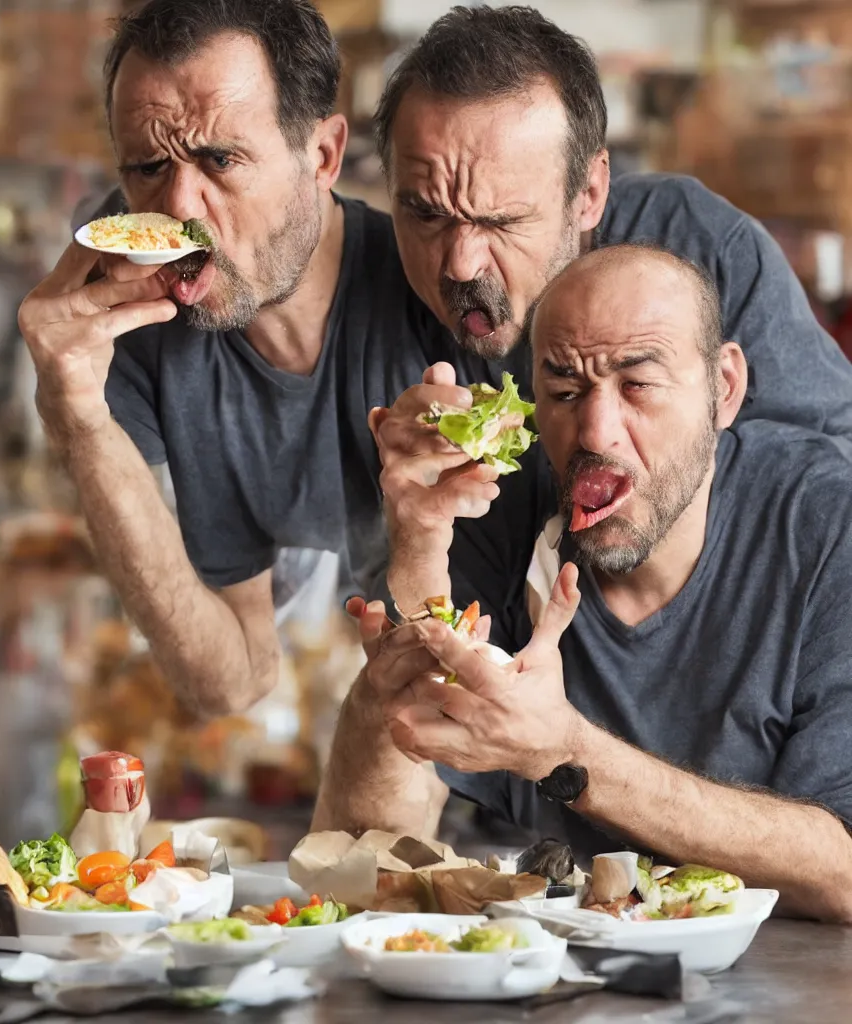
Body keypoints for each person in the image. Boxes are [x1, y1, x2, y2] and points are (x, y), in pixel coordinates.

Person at [313, 243, 852, 923]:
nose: (595, 431)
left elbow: (845, 871)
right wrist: (419, 560)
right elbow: (362, 861)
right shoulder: (498, 513)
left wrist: (567, 752)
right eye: (565, 391)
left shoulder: (828, 525)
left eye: (638, 385)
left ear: (724, 389)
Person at [17, 0, 492, 716]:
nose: (180, 207)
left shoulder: (440, 291)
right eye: (147, 167)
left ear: (323, 156)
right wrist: (80, 424)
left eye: (221, 159)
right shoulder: (132, 328)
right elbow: (231, 679)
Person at [371, 5, 852, 618]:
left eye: (503, 220)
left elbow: (834, 465)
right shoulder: (379, 294)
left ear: (590, 193)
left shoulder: (699, 245)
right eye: (427, 214)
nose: (460, 264)